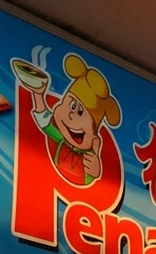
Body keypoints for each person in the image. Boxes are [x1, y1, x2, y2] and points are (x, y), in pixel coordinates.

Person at [28, 54, 121, 186]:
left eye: (80, 112)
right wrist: (38, 94)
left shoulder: (89, 157)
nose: (71, 115)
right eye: (71, 105)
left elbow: (93, 179)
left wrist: (96, 169)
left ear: (94, 137)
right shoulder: (62, 141)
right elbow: (46, 124)